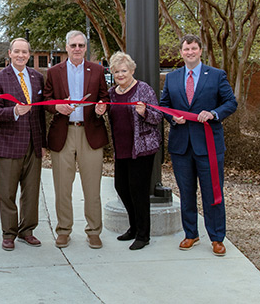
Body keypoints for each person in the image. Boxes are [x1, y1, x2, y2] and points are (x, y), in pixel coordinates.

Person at [160, 34, 237, 257]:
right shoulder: (172, 78)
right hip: (181, 146)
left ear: (200, 50)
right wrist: (173, 118)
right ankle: (191, 233)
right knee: (186, 192)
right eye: (186, 49)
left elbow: (231, 103)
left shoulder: (216, 75)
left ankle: (216, 238)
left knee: (212, 192)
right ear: (181, 52)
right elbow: (165, 105)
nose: (190, 52)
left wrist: (214, 113)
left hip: (209, 146)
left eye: (194, 48)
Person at [44, 30, 109, 249]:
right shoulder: (54, 72)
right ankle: (63, 230)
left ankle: (93, 231)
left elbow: (105, 97)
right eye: (73, 45)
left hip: (90, 133)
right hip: (63, 133)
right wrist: (56, 107)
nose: (78, 49)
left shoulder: (98, 70)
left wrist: (102, 107)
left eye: (81, 45)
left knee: (92, 187)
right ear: (67, 47)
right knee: (62, 187)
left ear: (85, 48)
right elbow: (46, 99)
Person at [95, 52, 162, 250]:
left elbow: (158, 117)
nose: (120, 75)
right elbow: (105, 112)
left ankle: (143, 234)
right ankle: (133, 227)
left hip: (142, 149)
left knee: (138, 191)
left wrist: (145, 112)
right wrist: (100, 111)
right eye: (116, 72)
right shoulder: (112, 93)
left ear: (132, 70)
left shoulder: (143, 89)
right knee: (121, 187)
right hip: (121, 148)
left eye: (124, 71)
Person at [0, 37, 46, 251]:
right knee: (8, 192)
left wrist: (42, 143)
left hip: (34, 143)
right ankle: (9, 233)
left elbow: (40, 114)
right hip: (9, 143)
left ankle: (27, 230)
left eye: (25, 52)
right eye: (17, 51)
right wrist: (13, 111)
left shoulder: (37, 77)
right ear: (10, 53)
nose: (21, 55)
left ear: (29, 55)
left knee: (31, 192)